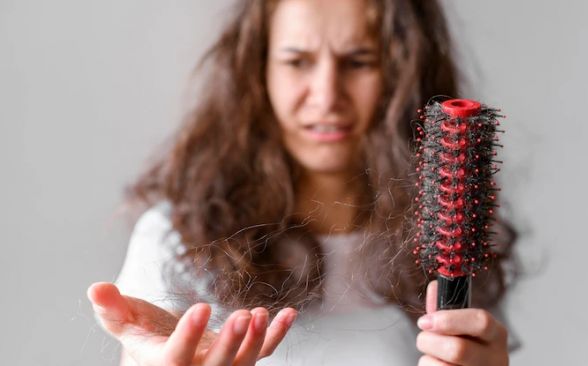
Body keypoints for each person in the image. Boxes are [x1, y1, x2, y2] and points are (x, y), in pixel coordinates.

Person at [87, 0, 519, 365]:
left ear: (403, 73)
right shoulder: (175, 240)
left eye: (358, 62)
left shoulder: (451, 238)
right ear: (259, 72)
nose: (327, 94)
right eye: (297, 62)